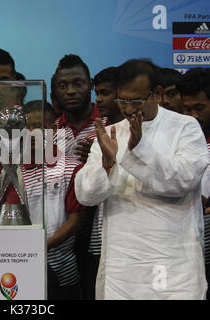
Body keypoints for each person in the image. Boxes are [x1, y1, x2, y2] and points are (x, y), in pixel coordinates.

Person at [75, 59, 209, 300]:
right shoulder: (111, 134)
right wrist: (108, 162)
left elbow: (182, 181)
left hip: (173, 262)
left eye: (136, 101)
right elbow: (86, 195)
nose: (128, 109)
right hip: (123, 265)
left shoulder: (185, 128)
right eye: (123, 100)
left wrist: (141, 149)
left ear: (156, 94)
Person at [51, 54, 103, 297]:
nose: (70, 91)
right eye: (63, 86)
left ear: (90, 85)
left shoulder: (110, 124)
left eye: (77, 83)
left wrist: (98, 160)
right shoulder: (50, 131)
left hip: (100, 224)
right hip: (64, 224)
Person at [22, 100, 84, 300]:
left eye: (38, 126)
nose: (32, 132)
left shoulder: (71, 167)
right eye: (26, 127)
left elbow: (76, 221)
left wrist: (43, 246)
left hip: (62, 269)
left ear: (53, 129)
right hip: (23, 267)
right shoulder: (13, 170)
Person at [81, 66, 124, 300]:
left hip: (129, 240)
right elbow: (87, 192)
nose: (99, 99)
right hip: (99, 237)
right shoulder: (95, 136)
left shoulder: (139, 135)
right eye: (97, 92)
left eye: (105, 92)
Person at [177, 67, 210, 300]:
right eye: (187, 109)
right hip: (189, 248)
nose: (193, 116)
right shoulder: (178, 139)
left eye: (199, 108)